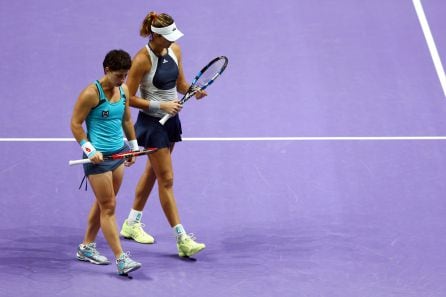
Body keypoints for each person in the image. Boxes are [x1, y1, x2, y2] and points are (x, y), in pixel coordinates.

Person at [119, 11, 206, 257]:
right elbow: (128, 98)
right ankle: (182, 239)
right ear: (155, 35)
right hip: (152, 124)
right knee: (166, 179)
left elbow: (180, 84)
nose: (171, 41)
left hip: (171, 122)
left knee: (153, 173)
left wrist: (194, 90)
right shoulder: (141, 60)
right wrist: (161, 106)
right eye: (167, 37)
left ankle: (131, 223)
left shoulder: (175, 50)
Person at [70, 49, 142, 275]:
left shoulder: (124, 89)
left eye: (125, 75)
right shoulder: (91, 93)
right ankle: (122, 259)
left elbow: (127, 119)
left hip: (117, 155)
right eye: (118, 75)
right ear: (107, 70)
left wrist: (133, 146)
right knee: (109, 207)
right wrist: (89, 149)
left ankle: (86, 247)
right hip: (98, 160)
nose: (122, 80)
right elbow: (75, 124)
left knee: (104, 204)